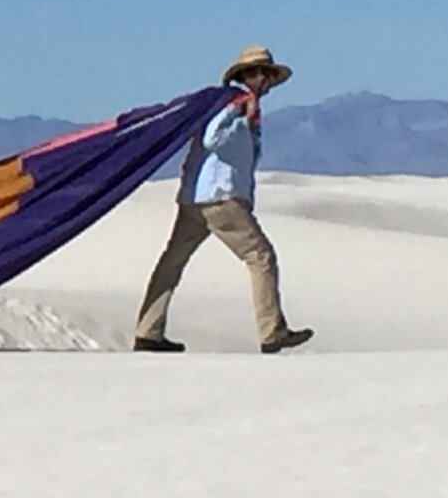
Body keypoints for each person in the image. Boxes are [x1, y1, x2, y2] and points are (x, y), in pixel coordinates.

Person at [133, 46, 314, 354]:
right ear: (249, 76)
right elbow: (212, 139)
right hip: (219, 197)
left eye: (268, 75)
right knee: (261, 257)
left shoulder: (231, 103)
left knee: (172, 261)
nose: (266, 81)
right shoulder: (237, 103)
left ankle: (148, 331)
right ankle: (272, 331)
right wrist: (245, 120)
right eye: (262, 74)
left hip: (196, 198)